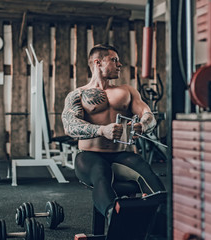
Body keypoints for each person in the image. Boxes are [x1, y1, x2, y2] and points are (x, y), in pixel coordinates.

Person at [62, 44, 165, 222]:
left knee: (147, 173)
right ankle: (114, 218)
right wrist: (102, 130)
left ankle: (162, 216)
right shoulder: (78, 94)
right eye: (114, 60)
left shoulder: (126, 91)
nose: (120, 64)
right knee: (101, 174)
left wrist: (143, 125)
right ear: (98, 62)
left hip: (122, 155)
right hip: (89, 157)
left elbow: (149, 115)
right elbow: (70, 126)